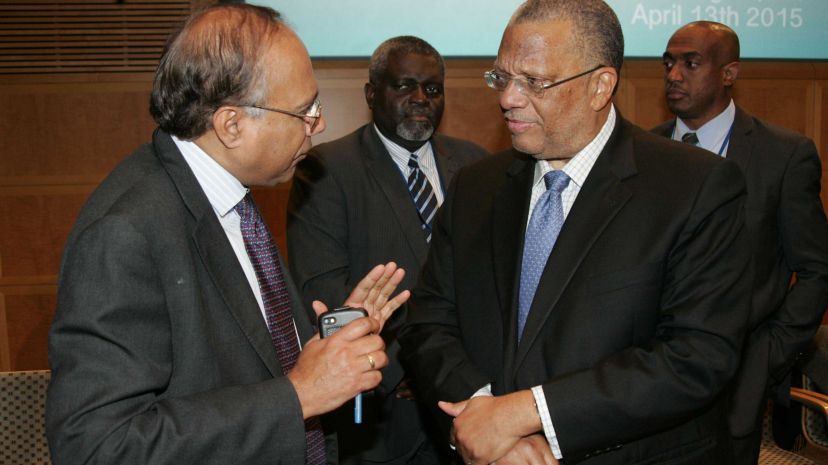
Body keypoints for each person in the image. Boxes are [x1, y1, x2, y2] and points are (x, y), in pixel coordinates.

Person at [46, 5, 410, 465]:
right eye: (305, 111)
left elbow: (244, 352)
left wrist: (330, 342)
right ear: (231, 125)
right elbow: (95, 446)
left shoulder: (223, 191)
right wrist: (297, 396)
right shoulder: (125, 233)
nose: (319, 125)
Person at [398, 1, 754, 464]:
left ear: (600, 85)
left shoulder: (696, 187)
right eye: (501, 77)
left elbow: (696, 355)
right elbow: (429, 323)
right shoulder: (474, 187)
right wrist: (483, 419)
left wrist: (530, 413)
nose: (508, 97)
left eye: (534, 81)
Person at [287, 36, 487, 464]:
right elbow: (322, 291)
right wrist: (419, 366)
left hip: (469, 403)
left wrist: (452, 373)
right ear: (371, 93)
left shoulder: (476, 166)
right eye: (404, 86)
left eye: (432, 89)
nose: (420, 99)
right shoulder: (325, 170)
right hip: (382, 406)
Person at [652, 21, 828, 464]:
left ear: (729, 73)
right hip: (645, 381)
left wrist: (768, 353)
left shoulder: (783, 156)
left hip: (735, 382)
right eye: (669, 63)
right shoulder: (642, 151)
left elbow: (816, 270)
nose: (674, 75)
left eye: (691, 63)